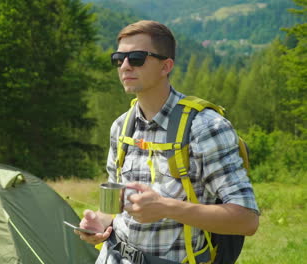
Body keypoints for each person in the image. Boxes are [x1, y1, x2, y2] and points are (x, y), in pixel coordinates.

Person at [74, 20, 259, 263]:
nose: (125, 66)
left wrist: (166, 208)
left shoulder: (206, 127)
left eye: (137, 57)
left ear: (166, 66)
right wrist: (100, 221)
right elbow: (114, 206)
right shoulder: (121, 126)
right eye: (119, 58)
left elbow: (247, 220)